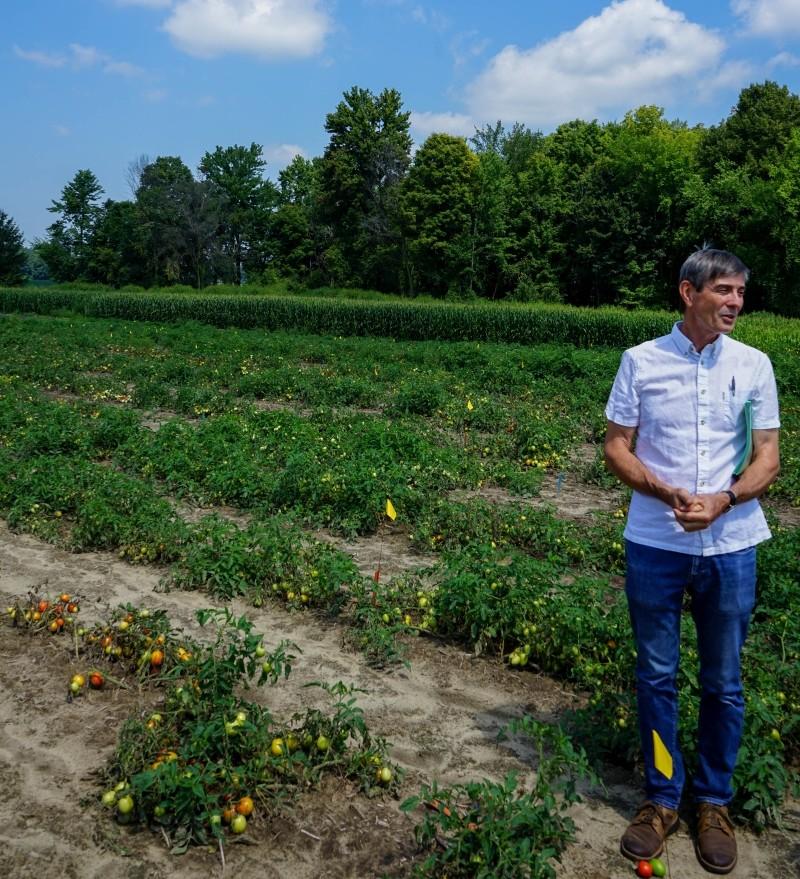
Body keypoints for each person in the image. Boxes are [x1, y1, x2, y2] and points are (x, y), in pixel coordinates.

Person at [603, 248, 780, 875]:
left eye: (740, 293)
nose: (735, 301)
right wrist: (662, 491)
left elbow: (767, 457)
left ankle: (712, 801)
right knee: (655, 675)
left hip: (731, 546)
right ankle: (660, 797)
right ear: (688, 292)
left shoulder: (755, 365)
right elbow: (616, 447)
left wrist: (726, 498)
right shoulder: (641, 362)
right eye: (724, 290)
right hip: (655, 542)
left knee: (724, 682)